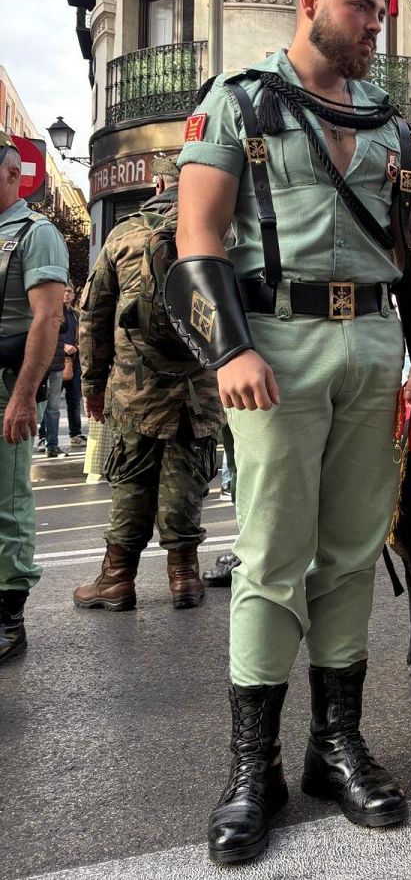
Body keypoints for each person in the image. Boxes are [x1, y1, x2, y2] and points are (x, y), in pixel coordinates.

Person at [169, 0, 411, 862]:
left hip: (373, 345)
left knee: (354, 550)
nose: (377, 23)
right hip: (274, 347)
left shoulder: (389, 120)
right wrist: (229, 350)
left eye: (383, 9)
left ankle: (337, 744)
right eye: (362, 7)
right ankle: (256, 766)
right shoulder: (238, 100)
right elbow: (196, 242)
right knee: (271, 553)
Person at [73, 155, 224, 614]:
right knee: (187, 478)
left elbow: (93, 313)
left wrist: (93, 383)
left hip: (135, 389)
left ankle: (117, 578)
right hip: (198, 387)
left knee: (132, 481)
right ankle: (184, 575)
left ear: (158, 184)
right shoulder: (220, 228)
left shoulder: (125, 233)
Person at [0, 134, 68, 663]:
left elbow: (47, 318)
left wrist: (25, 396)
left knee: (8, 503)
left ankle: (9, 618)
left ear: (11, 176)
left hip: (5, 383)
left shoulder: (34, 233)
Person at [37, 316, 66, 457]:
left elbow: (64, 327)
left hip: (57, 366)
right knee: (41, 406)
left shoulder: (62, 310)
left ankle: (52, 445)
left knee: (53, 408)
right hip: (41, 365)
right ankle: (43, 439)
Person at [61, 283, 86, 446]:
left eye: (70, 291)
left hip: (75, 362)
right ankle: (45, 437)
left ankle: (75, 434)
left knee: (74, 400)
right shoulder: (53, 313)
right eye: (64, 291)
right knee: (51, 404)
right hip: (56, 362)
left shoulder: (76, 315)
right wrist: (63, 346)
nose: (67, 294)